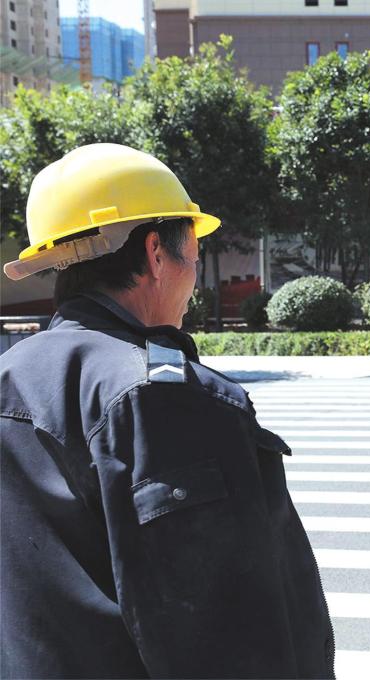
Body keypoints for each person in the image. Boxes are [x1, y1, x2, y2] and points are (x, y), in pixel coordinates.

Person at [0, 144, 334, 678]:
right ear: (156, 254)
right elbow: (222, 634)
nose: (194, 278)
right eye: (193, 254)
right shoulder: (164, 397)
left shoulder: (10, 376)